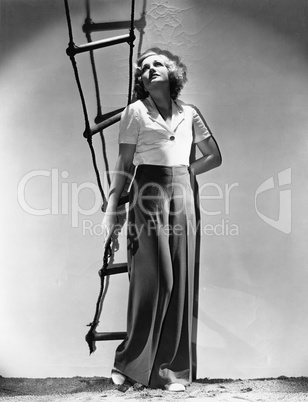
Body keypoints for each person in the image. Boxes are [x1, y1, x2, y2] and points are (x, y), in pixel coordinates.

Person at [102, 47, 222, 392]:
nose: (150, 69)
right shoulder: (135, 112)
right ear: (140, 81)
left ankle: (171, 372)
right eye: (144, 68)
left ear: (173, 73)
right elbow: (124, 165)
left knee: (181, 281)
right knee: (155, 280)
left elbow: (213, 156)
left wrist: (183, 174)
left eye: (157, 64)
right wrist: (113, 209)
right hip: (148, 189)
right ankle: (128, 363)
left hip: (182, 191)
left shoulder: (190, 112)